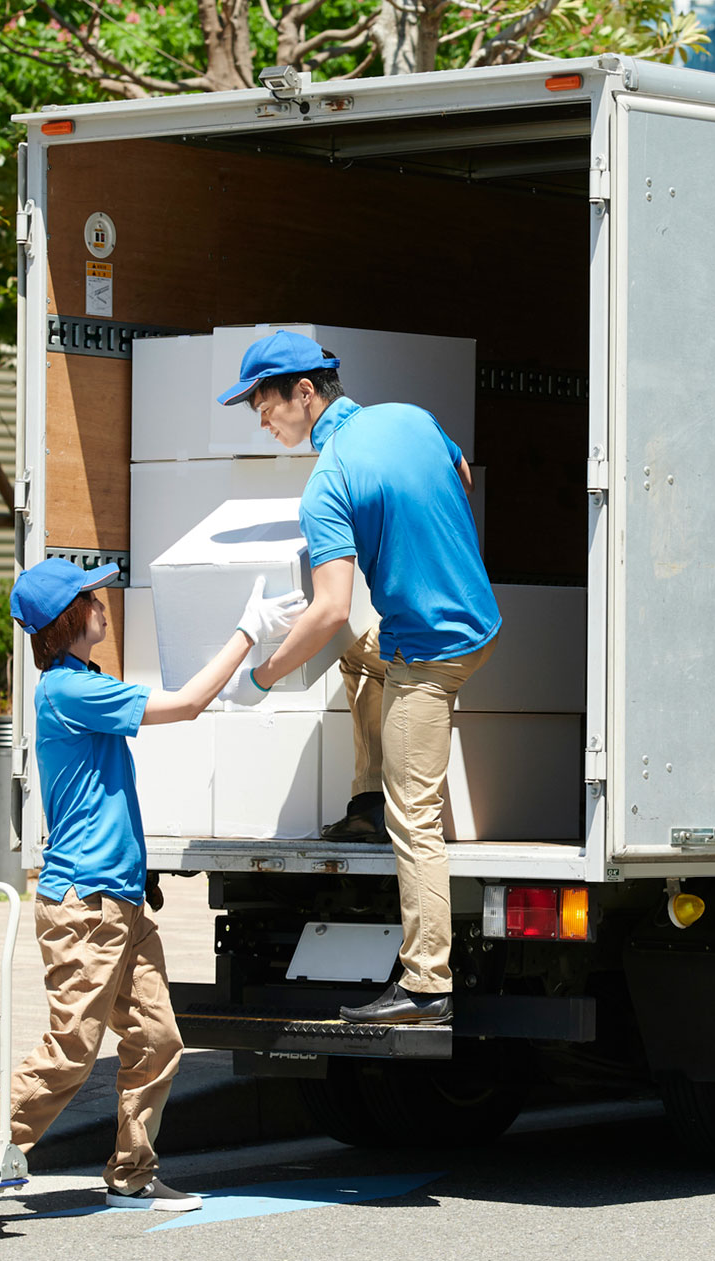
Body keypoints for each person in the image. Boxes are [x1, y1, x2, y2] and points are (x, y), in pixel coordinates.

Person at [0, 555, 306, 1209]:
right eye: (93, 596)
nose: (105, 602)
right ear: (66, 616)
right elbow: (189, 703)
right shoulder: (68, 690)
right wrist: (249, 630)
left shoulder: (81, 679)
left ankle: (133, 1171)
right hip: (85, 905)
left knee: (159, 1037)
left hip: (120, 901)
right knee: (73, 1047)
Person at [218, 330, 500, 1027]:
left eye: (264, 404)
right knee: (355, 653)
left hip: (429, 657)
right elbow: (461, 473)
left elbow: (329, 608)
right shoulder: (412, 417)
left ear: (304, 393)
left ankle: (427, 986)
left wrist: (262, 674)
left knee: (417, 820)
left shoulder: (327, 482)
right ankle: (363, 801)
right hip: (473, 619)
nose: (262, 419)